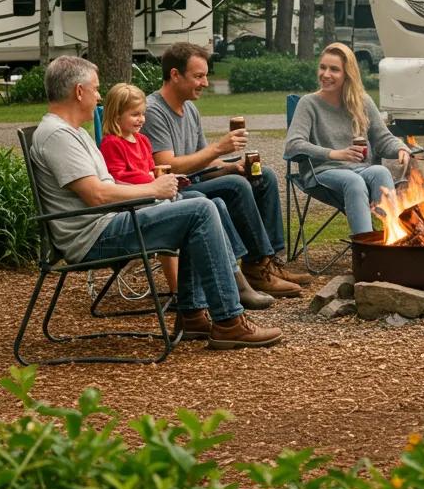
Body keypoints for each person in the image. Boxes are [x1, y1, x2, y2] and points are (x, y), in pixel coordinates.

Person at [29, 56, 281, 350]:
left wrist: (156, 192)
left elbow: (106, 187)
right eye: (95, 89)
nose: (99, 96)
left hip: (107, 221)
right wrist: (152, 189)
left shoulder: (72, 132)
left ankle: (193, 315)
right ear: (78, 91)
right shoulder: (58, 136)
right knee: (200, 210)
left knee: (197, 200)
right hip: (93, 235)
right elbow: (96, 195)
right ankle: (229, 321)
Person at [141, 42, 309, 297]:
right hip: (174, 190)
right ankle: (258, 266)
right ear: (175, 75)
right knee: (236, 186)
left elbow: (203, 160)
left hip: (195, 179)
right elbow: (167, 166)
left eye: (205, 76)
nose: (205, 83)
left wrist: (232, 166)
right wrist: (219, 149)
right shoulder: (154, 111)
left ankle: (267, 262)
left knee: (262, 176)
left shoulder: (190, 109)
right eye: (198, 76)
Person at [98, 82, 273, 310]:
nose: (141, 119)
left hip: (158, 195)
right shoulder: (112, 144)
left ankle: (234, 278)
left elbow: (153, 170)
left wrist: (173, 178)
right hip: (137, 204)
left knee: (216, 204)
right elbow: (117, 179)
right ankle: (233, 284)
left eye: (142, 114)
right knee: (203, 203)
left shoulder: (142, 140)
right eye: (134, 115)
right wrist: (153, 180)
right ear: (116, 115)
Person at [284, 42, 412, 236]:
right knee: (354, 181)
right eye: (323, 67)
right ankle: (365, 246)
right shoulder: (308, 103)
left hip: (360, 169)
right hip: (321, 172)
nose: (326, 74)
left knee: (380, 171)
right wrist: (334, 154)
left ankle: (393, 238)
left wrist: (401, 148)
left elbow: (383, 138)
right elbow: (293, 145)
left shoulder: (362, 102)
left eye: (334, 69)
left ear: (347, 74)